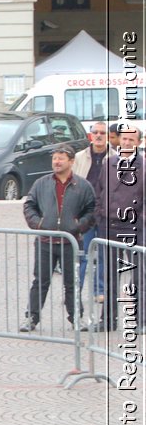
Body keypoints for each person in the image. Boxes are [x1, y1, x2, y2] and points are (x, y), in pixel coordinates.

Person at [20, 144, 97, 332]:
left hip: (71, 242)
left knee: (72, 282)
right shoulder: (41, 183)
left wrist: (79, 226)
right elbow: (29, 205)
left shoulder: (83, 185)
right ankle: (31, 317)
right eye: (55, 158)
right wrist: (38, 223)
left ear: (71, 161)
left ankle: (76, 318)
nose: (57, 162)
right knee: (40, 281)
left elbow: (92, 209)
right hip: (45, 241)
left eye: (61, 158)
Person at [94, 124, 145, 332]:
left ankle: (141, 318)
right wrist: (100, 214)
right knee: (109, 276)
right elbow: (99, 191)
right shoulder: (109, 163)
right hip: (110, 225)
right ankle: (107, 319)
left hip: (134, 227)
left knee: (139, 274)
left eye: (131, 140)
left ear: (139, 143)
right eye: (124, 139)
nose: (126, 143)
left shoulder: (144, 167)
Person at [73, 121, 109, 304]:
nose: (99, 135)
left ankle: (100, 290)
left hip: (105, 214)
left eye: (103, 132)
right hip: (85, 213)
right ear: (90, 135)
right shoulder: (80, 157)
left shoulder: (114, 158)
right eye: (96, 132)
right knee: (82, 253)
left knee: (103, 254)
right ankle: (74, 290)